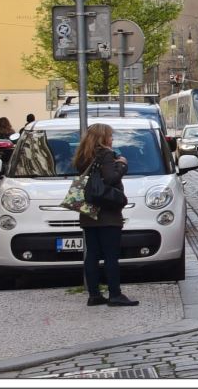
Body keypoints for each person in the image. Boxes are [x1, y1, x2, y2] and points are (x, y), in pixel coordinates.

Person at [71, 123, 139, 307]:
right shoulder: (106, 154)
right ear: (103, 137)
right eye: (110, 135)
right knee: (110, 255)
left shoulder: (83, 156)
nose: (112, 139)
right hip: (107, 211)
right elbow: (110, 179)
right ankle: (115, 294)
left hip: (89, 210)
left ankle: (94, 295)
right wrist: (122, 166)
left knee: (92, 254)